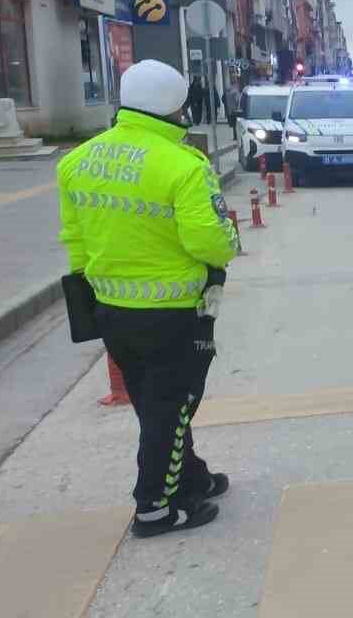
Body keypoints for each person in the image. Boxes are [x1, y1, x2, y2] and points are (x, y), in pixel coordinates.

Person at [57, 59, 240, 538]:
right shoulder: (183, 165)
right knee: (171, 405)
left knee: (156, 402)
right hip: (173, 313)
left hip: (111, 311)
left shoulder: (77, 161)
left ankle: (189, 478)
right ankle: (155, 508)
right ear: (175, 106)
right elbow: (208, 242)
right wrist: (230, 241)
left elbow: (75, 240)